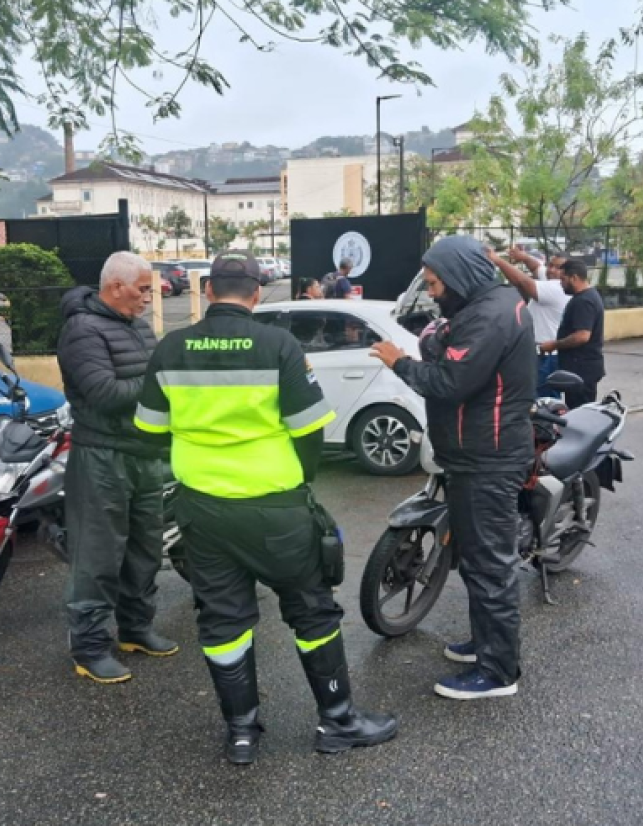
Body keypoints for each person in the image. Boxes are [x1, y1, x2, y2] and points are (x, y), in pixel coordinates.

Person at [134, 251, 396, 765]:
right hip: (276, 506)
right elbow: (309, 429)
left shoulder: (171, 347)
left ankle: (241, 732)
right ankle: (338, 721)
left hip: (203, 509)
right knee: (311, 608)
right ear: (256, 294)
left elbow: (149, 431)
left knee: (222, 618)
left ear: (208, 291)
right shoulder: (278, 345)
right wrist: (300, 478)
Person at [370, 236, 535, 701]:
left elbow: (449, 381)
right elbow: (445, 347)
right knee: (477, 562)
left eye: (435, 283)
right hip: (475, 455)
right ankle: (487, 644)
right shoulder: (486, 305)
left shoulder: (488, 316)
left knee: (490, 567)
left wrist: (400, 363)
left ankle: (498, 672)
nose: (432, 292)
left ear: (459, 275)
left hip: (487, 460)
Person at [56, 251, 178, 685]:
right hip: (101, 457)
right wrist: (162, 382)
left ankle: (135, 629)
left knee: (145, 549)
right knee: (98, 555)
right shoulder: (82, 330)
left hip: (144, 453)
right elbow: (105, 393)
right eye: (142, 289)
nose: (148, 297)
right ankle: (89, 647)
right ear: (116, 287)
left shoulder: (139, 327)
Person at [487, 246, 569, 397]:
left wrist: (496, 259)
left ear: (567, 273)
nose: (551, 270)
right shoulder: (552, 279)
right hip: (540, 352)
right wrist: (524, 257)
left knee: (544, 398)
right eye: (550, 265)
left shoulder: (557, 289)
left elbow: (522, 282)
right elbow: (537, 268)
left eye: (558, 268)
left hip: (546, 355)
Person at [538, 259, 605, 409]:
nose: (560, 284)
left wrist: (554, 345)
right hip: (579, 368)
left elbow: (582, 336)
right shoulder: (586, 297)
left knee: (580, 411)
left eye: (563, 279)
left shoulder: (584, 301)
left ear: (574, 278)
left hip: (581, 369)